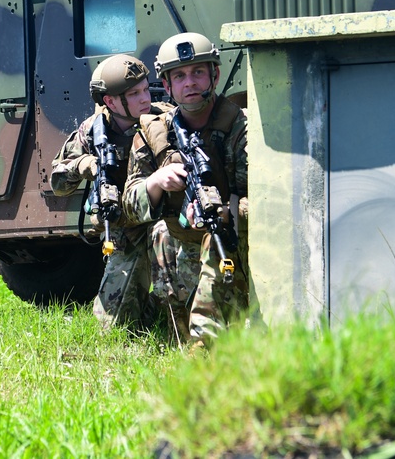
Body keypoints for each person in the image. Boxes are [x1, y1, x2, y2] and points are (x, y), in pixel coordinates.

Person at [49, 54, 191, 336]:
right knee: (113, 327)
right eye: (134, 94)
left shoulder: (165, 118)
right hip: (125, 228)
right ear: (111, 102)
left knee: (176, 274)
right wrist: (83, 164)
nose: (145, 99)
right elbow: (58, 183)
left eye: (145, 89)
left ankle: (175, 311)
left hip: (166, 220)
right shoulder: (92, 131)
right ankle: (152, 310)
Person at [123, 32, 249, 346]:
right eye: (179, 76)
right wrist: (157, 183)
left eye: (197, 73)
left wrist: (223, 210)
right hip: (182, 234)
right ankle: (177, 329)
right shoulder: (155, 131)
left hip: (235, 234)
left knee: (227, 228)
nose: (189, 82)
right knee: (161, 232)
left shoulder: (241, 126)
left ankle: (207, 342)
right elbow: (128, 205)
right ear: (166, 85)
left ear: (214, 75)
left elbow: (264, 197)